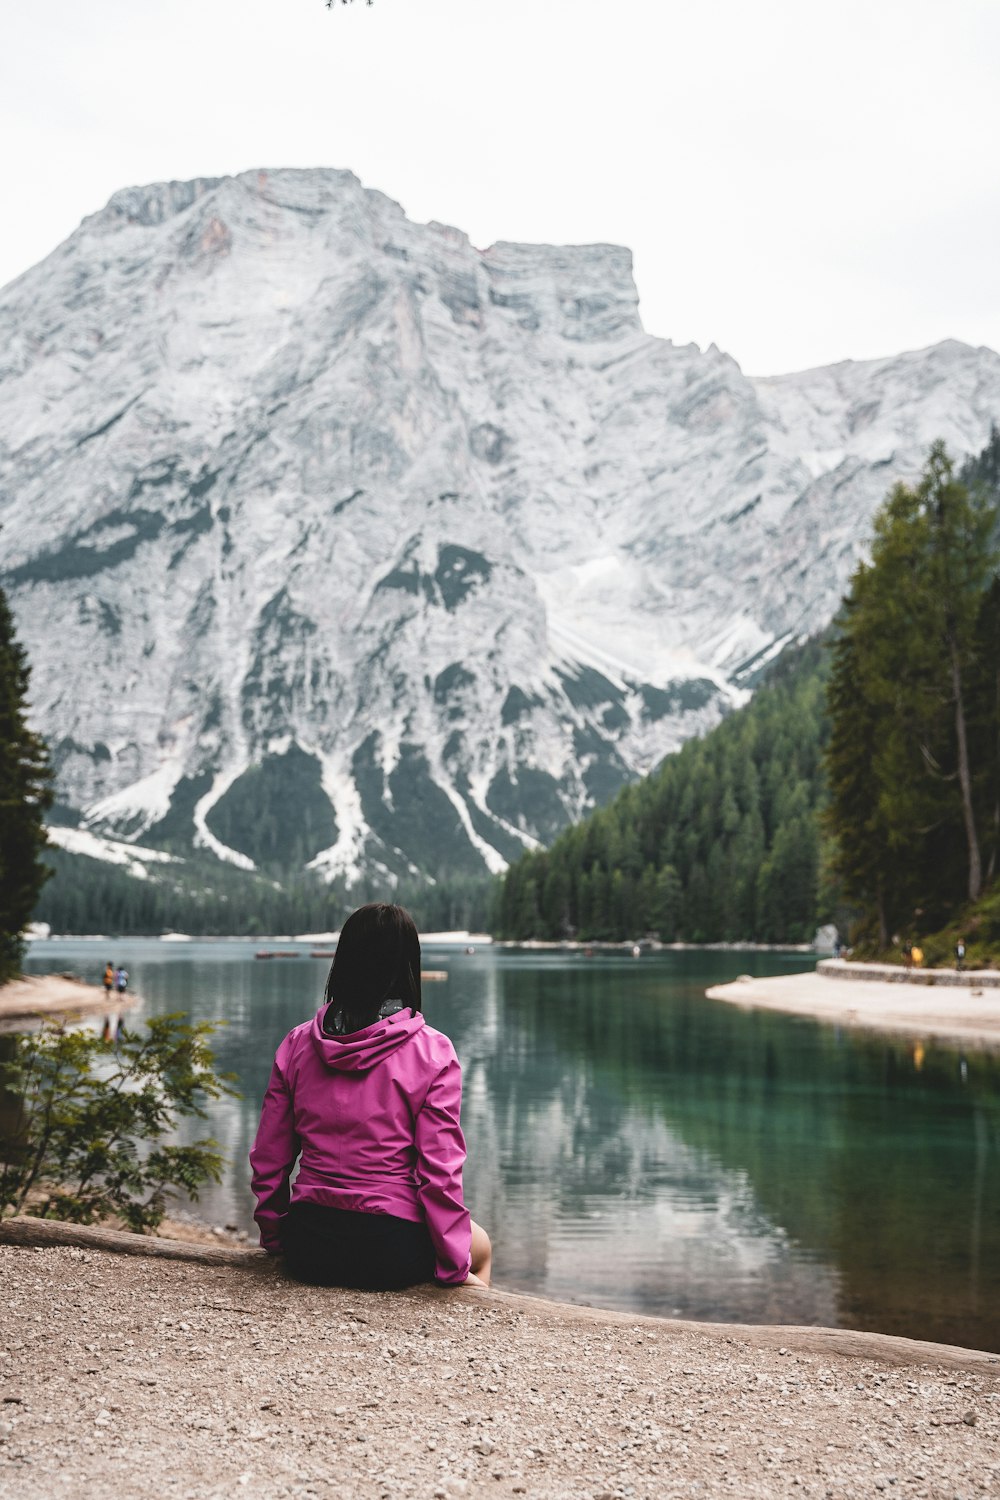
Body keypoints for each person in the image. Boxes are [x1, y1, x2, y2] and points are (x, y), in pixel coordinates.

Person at [250, 902, 491, 1292]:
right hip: (391, 1246)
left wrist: (276, 1237)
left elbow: (269, 1158)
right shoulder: (433, 1052)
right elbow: (439, 1174)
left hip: (309, 1241)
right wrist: (451, 1268)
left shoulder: (297, 1045)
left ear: (343, 960)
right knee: (481, 1250)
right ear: (408, 965)